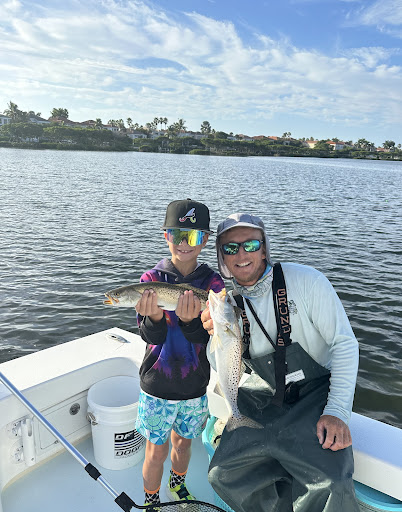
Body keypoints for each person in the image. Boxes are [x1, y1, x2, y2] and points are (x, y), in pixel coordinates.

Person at [201, 212, 360, 512]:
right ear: (222, 258)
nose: (241, 255)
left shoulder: (308, 282)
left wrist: (337, 412)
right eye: (230, 248)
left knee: (332, 482)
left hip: (316, 395)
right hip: (265, 396)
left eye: (250, 244)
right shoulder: (229, 304)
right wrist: (214, 336)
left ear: (264, 249)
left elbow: (345, 344)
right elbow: (227, 366)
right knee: (222, 474)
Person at [134, 199, 224, 508]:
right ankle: (151, 501)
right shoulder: (150, 281)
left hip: (194, 385)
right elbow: (150, 337)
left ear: (205, 240)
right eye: (177, 234)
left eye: (193, 236)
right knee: (155, 452)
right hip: (157, 386)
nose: (184, 243)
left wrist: (190, 322)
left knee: (183, 445)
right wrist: (154, 318)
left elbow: (212, 337)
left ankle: (177, 485)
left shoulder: (213, 284)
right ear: (166, 236)